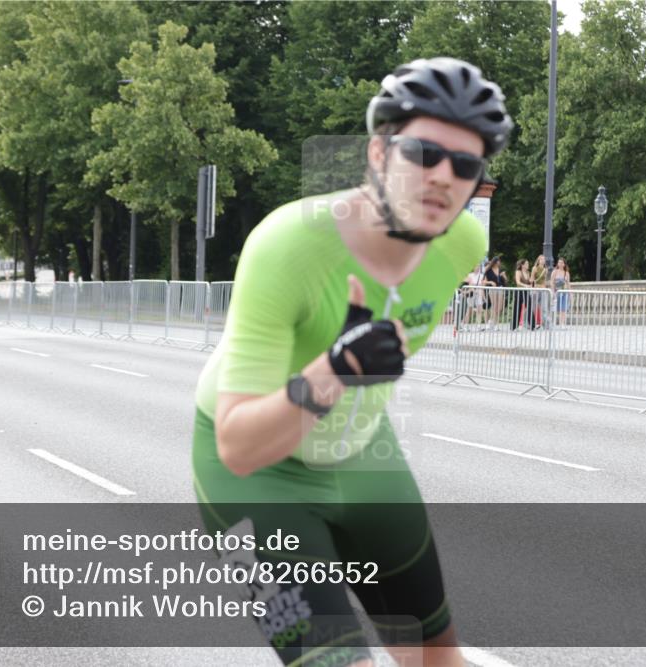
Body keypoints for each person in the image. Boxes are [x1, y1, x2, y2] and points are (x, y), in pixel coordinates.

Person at [192, 57, 513, 667]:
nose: (444, 177)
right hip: (255, 480)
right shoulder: (286, 246)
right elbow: (236, 446)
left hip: (362, 456)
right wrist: (331, 371)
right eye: (422, 153)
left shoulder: (465, 242)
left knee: (436, 659)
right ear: (377, 154)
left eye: (465, 165)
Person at [483, 256, 507, 329]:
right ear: (495, 262)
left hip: (500, 288)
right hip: (492, 289)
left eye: (499, 261)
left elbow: (505, 281)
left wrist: (504, 276)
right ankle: (495, 324)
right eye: (498, 261)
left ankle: (491, 320)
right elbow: (484, 281)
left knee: (499, 307)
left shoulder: (500, 269)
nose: (499, 262)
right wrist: (490, 282)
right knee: (494, 306)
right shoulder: (488, 270)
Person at [512, 258, 534, 330]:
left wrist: (531, 282)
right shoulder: (518, 272)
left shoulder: (528, 272)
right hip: (519, 291)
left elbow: (530, 281)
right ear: (522, 265)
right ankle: (514, 326)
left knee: (530, 306)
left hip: (526, 291)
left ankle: (532, 325)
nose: (528, 265)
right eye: (526, 264)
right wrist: (526, 286)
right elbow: (518, 282)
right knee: (517, 308)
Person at [551, 258, 571, 327]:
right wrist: (553, 292)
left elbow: (568, 283)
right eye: (559, 262)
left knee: (563, 308)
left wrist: (570, 293)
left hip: (564, 292)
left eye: (562, 263)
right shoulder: (555, 272)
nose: (560, 264)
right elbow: (552, 282)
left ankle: (562, 323)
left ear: (564, 264)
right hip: (557, 292)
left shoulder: (566, 273)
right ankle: (554, 322)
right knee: (556, 308)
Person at [531, 254, 548, 329]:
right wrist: (533, 289)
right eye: (541, 259)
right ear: (538, 260)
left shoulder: (545, 269)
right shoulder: (535, 268)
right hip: (536, 289)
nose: (543, 261)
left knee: (543, 307)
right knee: (534, 307)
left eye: (544, 259)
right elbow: (532, 280)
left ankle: (543, 324)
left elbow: (544, 281)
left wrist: (545, 288)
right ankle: (534, 323)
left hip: (543, 289)